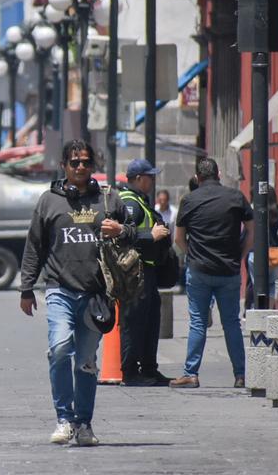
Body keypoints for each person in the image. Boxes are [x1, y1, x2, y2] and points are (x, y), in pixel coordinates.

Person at [19, 139, 135, 446]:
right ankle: (63, 418)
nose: (80, 167)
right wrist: (26, 288)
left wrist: (121, 231)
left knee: (86, 361)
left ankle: (83, 424)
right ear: (64, 167)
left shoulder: (109, 200)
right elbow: (34, 247)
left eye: (85, 162)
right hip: (59, 289)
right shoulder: (48, 201)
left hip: (96, 295)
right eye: (74, 162)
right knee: (59, 349)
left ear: (93, 166)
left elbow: (136, 234)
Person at [171, 157, 253, 389]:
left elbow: (178, 238)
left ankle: (191, 373)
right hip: (229, 269)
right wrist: (240, 255)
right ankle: (240, 374)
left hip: (199, 270)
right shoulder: (236, 197)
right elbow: (251, 230)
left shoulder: (189, 200)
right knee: (232, 323)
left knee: (197, 322)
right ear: (218, 175)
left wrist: (191, 256)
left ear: (197, 178)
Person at [119, 160, 173, 386]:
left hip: (148, 271)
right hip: (135, 273)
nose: (153, 181)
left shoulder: (141, 200)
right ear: (139, 178)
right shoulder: (129, 203)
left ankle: (149, 369)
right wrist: (151, 235)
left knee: (151, 321)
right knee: (135, 322)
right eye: (150, 177)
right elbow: (121, 233)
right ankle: (131, 372)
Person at [246, 185, 278, 309]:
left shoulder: (253, 210)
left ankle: (258, 309)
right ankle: (269, 308)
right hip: (276, 253)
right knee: (273, 285)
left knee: (257, 284)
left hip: (255, 252)